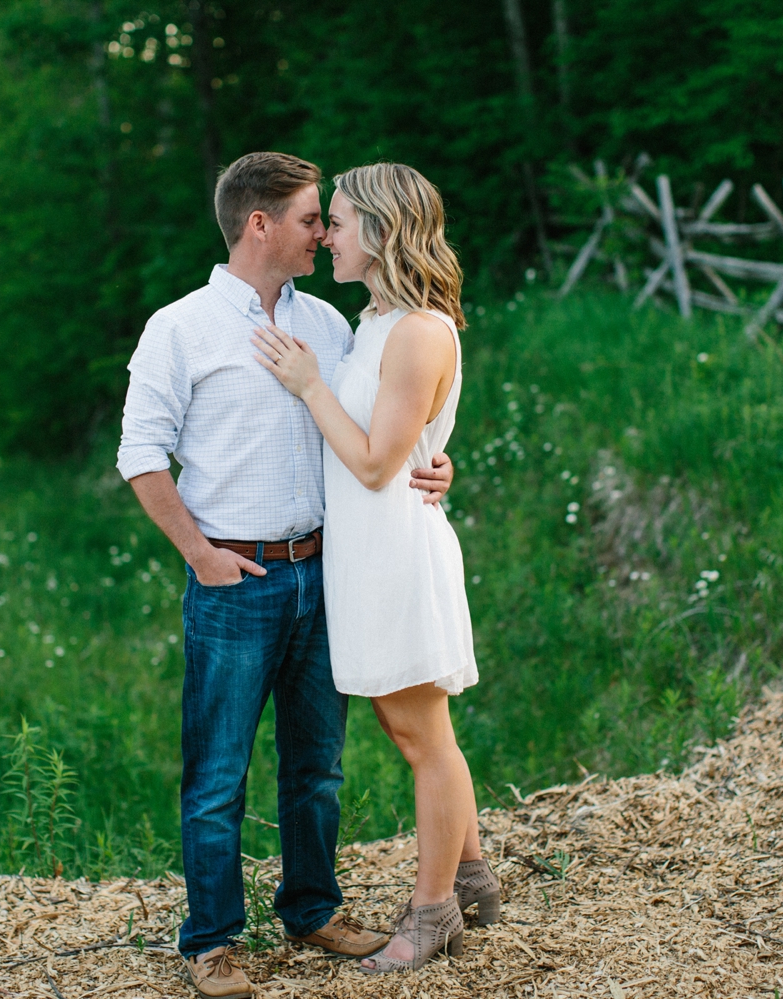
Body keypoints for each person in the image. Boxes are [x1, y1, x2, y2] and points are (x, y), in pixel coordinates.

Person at [116, 151, 456, 999]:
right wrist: (199, 554)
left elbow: (377, 427)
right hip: (236, 579)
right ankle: (213, 940)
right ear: (259, 224)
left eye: (329, 220)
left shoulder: (336, 324)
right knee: (218, 771)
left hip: (323, 572)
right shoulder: (180, 327)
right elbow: (138, 454)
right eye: (312, 218)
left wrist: (435, 461)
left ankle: (311, 909)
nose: (322, 232)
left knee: (317, 766)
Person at [251, 162, 498, 974]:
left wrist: (308, 383)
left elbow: (373, 462)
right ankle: (473, 876)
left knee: (424, 737)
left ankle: (433, 914)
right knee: (411, 729)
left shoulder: (420, 329)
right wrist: (436, 451)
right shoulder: (380, 321)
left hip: (396, 555)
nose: (328, 235)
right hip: (367, 556)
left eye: (344, 221)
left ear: (384, 232)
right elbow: (406, 435)